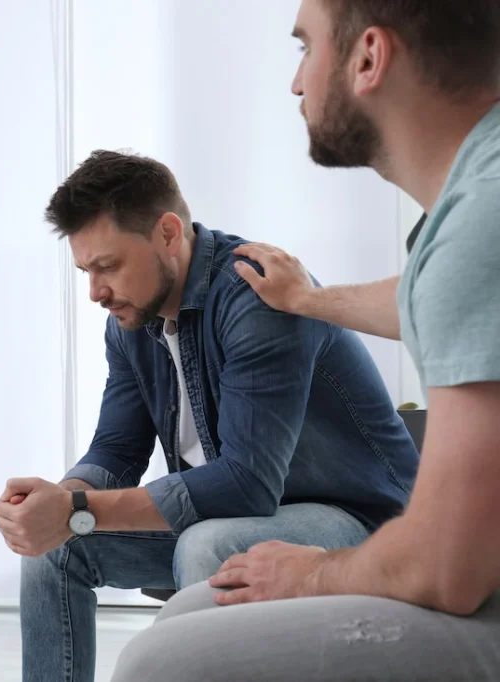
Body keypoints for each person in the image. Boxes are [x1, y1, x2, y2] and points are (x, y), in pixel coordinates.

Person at [111, 1, 500, 680]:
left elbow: (446, 567)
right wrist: (309, 299)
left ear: (369, 58)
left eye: (304, 47)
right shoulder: (476, 198)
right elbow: (429, 299)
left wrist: (317, 572)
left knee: (161, 661)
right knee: (187, 614)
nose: (295, 84)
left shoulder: (481, 225)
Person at [0, 149, 420, 682]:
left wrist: (77, 506)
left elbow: (247, 484)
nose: (95, 292)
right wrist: (55, 504)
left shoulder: (255, 293)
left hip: (357, 522)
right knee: (54, 550)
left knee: (210, 543)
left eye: (108, 266)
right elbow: (115, 451)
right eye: (85, 271)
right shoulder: (131, 318)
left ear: (168, 234)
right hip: (238, 512)